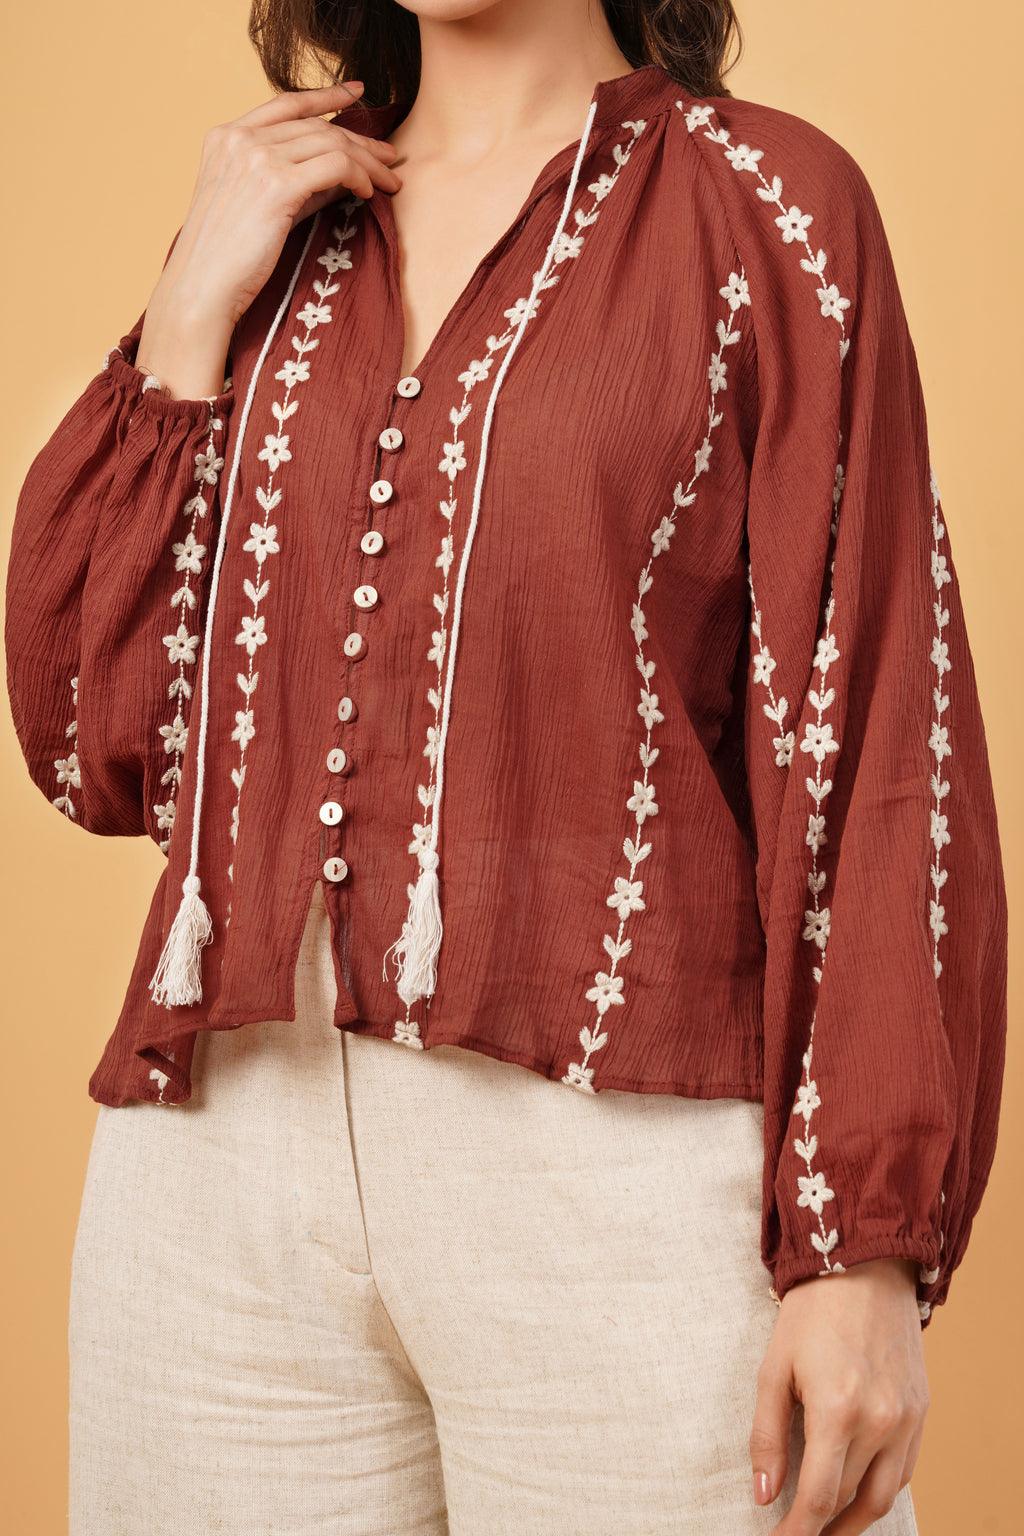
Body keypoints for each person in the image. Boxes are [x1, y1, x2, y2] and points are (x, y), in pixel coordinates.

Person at [4, 1, 1008, 1533]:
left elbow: (877, 738)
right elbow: (100, 734)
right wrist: (191, 311)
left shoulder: (769, 212)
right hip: (214, 1191)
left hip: (615, 1177)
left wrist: (860, 1246)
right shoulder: (275, 230)